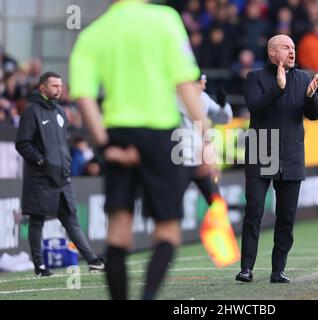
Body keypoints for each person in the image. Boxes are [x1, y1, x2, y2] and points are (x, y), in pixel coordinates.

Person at [69, 0, 209, 300]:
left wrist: (105, 145)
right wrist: (205, 137)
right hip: (160, 132)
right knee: (168, 230)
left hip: (118, 132)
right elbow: (185, 84)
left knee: (118, 231)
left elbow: (84, 98)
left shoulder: (93, 33)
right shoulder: (165, 19)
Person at [236, 34, 318, 284]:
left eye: (293, 47)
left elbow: (314, 115)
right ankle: (246, 268)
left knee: (286, 216)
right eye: (286, 47)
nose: (292, 51)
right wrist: (279, 88)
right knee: (254, 211)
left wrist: (310, 97)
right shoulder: (255, 77)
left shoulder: (304, 78)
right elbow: (256, 107)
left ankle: (278, 270)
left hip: (292, 155)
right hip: (263, 150)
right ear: (272, 52)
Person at [15, 72, 105, 277]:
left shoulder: (61, 111)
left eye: (60, 86)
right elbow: (22, 143)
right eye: (54, 86)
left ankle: (93, 260)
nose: (59, 89)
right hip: (40, 177)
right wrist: (41, 161)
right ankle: (39, 267)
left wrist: (64, 163)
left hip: (62, 177)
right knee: (37, 220)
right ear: (43, 88)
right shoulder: (32, 111)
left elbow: (64, 142)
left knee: (71, 219)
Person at [177, 73, 233, 205]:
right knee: (171, 205)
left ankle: (221, 226)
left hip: (200, 160)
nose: (204, 85)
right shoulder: (174, 98)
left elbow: (223, 118)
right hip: (179, 160)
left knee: (216, 202)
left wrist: (224, 106)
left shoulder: (204, 98)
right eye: (201, 82)